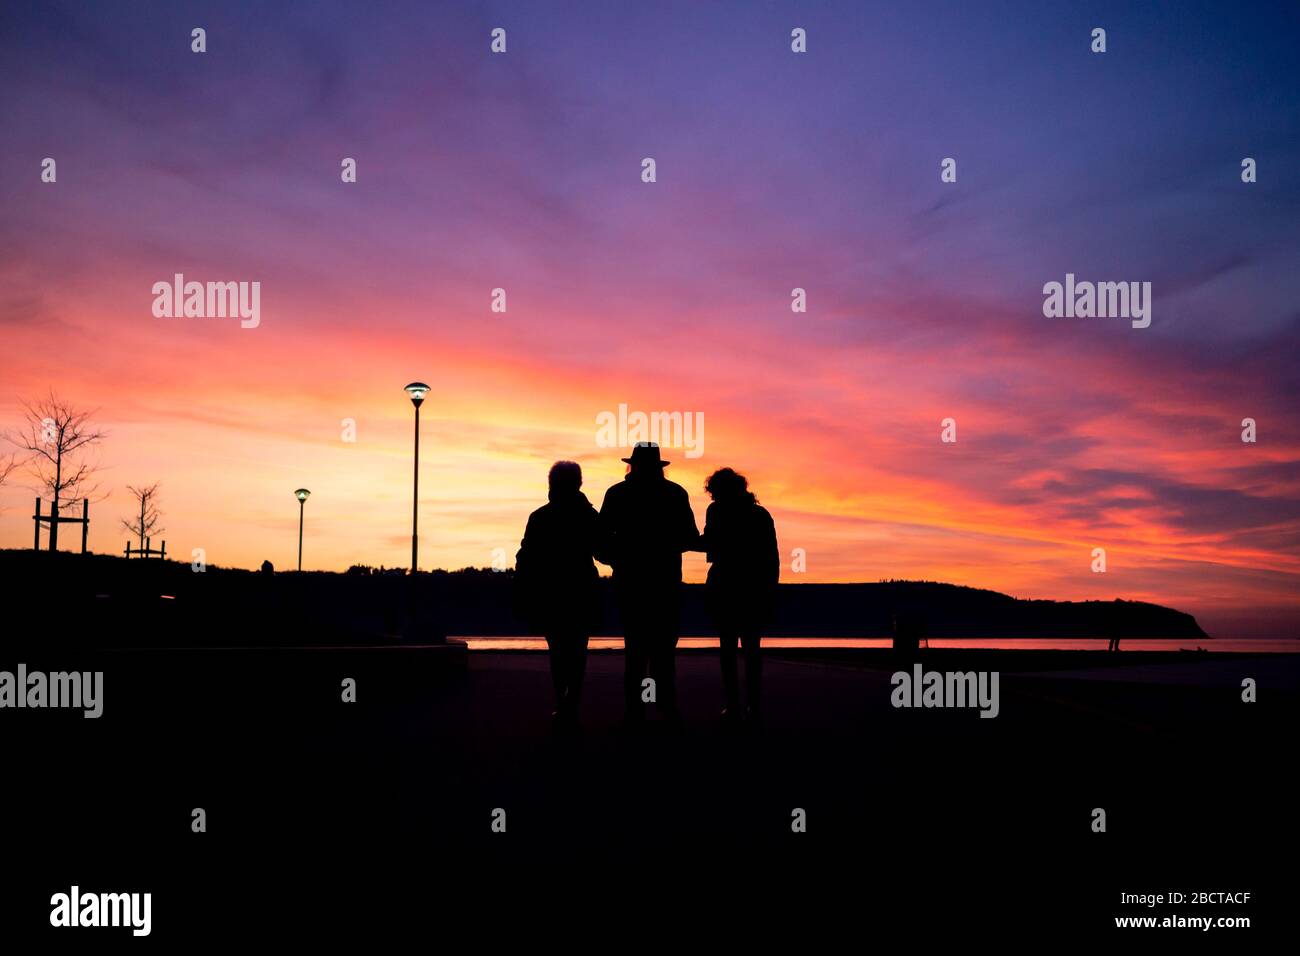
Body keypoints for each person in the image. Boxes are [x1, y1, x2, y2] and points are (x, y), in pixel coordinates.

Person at [598, 442, 699, 727]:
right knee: (664, 651)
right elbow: (689, 538)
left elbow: (601, 541)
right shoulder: (674, 493)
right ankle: (663, 707)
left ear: (632, 465)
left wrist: (617, 560)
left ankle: (637, 710)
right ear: (659, 467)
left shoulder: (617, 494)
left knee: (637, 650)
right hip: (665, 582)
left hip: (631, 583)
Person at [515, 461, 603, 729]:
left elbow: (526, 556)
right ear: (578, 484)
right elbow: (603, 552)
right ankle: (571, 703)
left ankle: (562, 703)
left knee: (558, 649)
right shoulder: (589, 516)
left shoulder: (540, 517)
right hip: (580, 589)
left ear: (552, 484)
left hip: (551, 591)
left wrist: (524, 585)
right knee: (577, 649)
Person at [699, 468, 778, 723]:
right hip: (752, 587)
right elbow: (771, 558)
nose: (713, 497)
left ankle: (734, 705)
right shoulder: (759, 514)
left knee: (728, 649)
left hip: (727, 585)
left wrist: (680, 540)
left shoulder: (717, 511)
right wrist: (769, 589)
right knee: (751, 650)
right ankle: (751, 706)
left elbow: (709, 543)